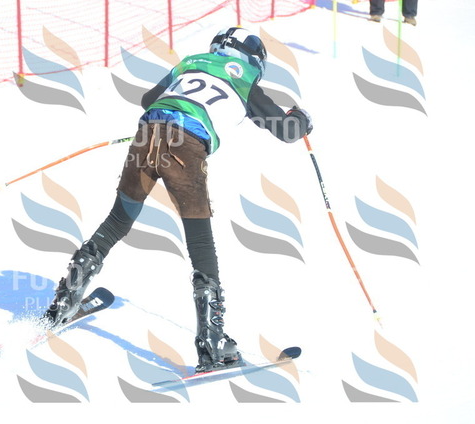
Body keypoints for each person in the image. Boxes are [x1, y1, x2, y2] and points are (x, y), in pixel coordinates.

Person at [44, 27, 313, 373]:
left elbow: (148, 99)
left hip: (147, 135)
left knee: (117, 221)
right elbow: (286, 131)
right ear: (253, 59)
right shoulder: (244, 78)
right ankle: (212, 343)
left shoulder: (191, 62)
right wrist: (303, 119)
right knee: (200, 241)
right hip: (186, 145)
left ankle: (64, 301)